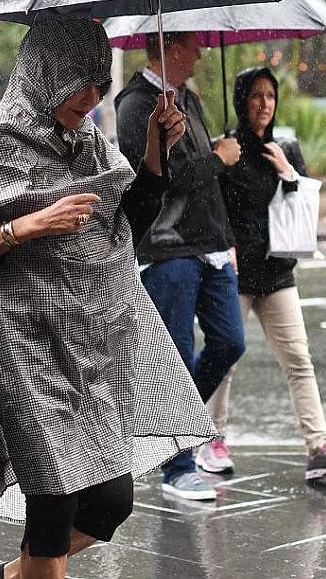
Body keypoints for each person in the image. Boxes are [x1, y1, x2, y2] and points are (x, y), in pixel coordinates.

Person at [0, 16, 217, 579]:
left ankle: (6, 576)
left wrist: (154, 152)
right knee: (52, 503)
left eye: (100, 83)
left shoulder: (91, 147)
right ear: (45, 72)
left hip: (86, 350)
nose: (92, 97)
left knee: (110, 503)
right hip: (19, 349)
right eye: (79, 80)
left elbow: (123, 229)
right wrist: (24, 227)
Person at [203, 66, 326, 481]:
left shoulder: (285, 147)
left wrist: (289, 173)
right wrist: (225, 240)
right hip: (235, 275)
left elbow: (304, 205)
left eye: (270, 96)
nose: (264, 104)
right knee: (225, 358)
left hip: (277, 273)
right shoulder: (227, 149)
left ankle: (318, 448)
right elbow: (211, 207)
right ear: (241, 100)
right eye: (255, 95)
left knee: (299, 359)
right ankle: (212, 442)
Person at [115, 31, 245, 500]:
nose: (202, 53)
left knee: (230, 341)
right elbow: (153, 181)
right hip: (168, 247)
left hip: (208, 244)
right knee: (177, 349)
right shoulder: (136, 105)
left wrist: (226, 238)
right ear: (171, 49)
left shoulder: (188, 98)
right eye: (193, 46)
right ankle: (177, 466)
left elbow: (205, 185)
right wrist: (216, 159)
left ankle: (179, 425)